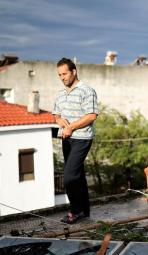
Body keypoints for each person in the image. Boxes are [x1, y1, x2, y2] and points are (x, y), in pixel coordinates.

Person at [53, 58, 98, 224]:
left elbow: (91, 116)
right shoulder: (61, 93)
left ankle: (75, 211)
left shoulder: (87, 90)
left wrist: (71, 127)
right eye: (60, 75)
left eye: (65, 73)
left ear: (74, 71)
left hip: (82, 138)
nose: (62, 77)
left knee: (69, 177)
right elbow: (56, 114)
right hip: (66, 138)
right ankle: (84, 211)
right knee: (77, 176)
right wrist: (59, 121)